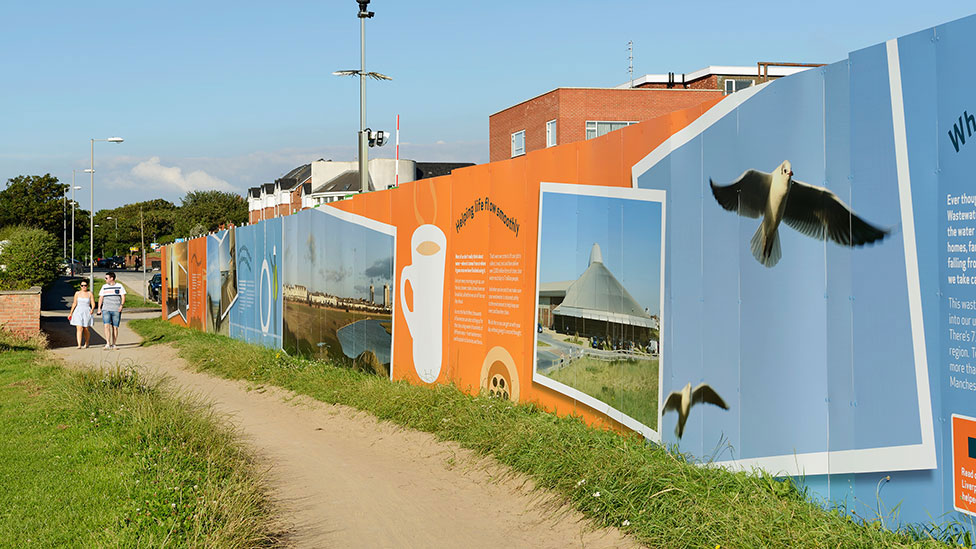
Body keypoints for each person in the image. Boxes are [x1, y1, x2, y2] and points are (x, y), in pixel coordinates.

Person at [97, 271, 126, 350]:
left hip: (116, 309)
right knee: (106, 326)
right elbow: (101, 297)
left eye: (106, 278)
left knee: (115, 327)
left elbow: (123, 296)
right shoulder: (104, 287)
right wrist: (99, 308)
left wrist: (121, 305)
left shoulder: (119, 286)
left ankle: (114, 344)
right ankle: (107, 343)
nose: (105, 279)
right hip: (106, 309)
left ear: (112, 278)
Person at [68, 280, 95, 348]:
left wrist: (92, 309)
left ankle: (87, 342)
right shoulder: (77, 293)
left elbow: (93, 303)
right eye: (82, 285)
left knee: (86, 329)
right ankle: (79, 344)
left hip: (87, 311)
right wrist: (71, 313)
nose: (83, 287)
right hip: (78, 311)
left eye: (85, 285)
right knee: (79, 328)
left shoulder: (89, 293)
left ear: (87, 286)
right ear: (80, 286)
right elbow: (74, 303)